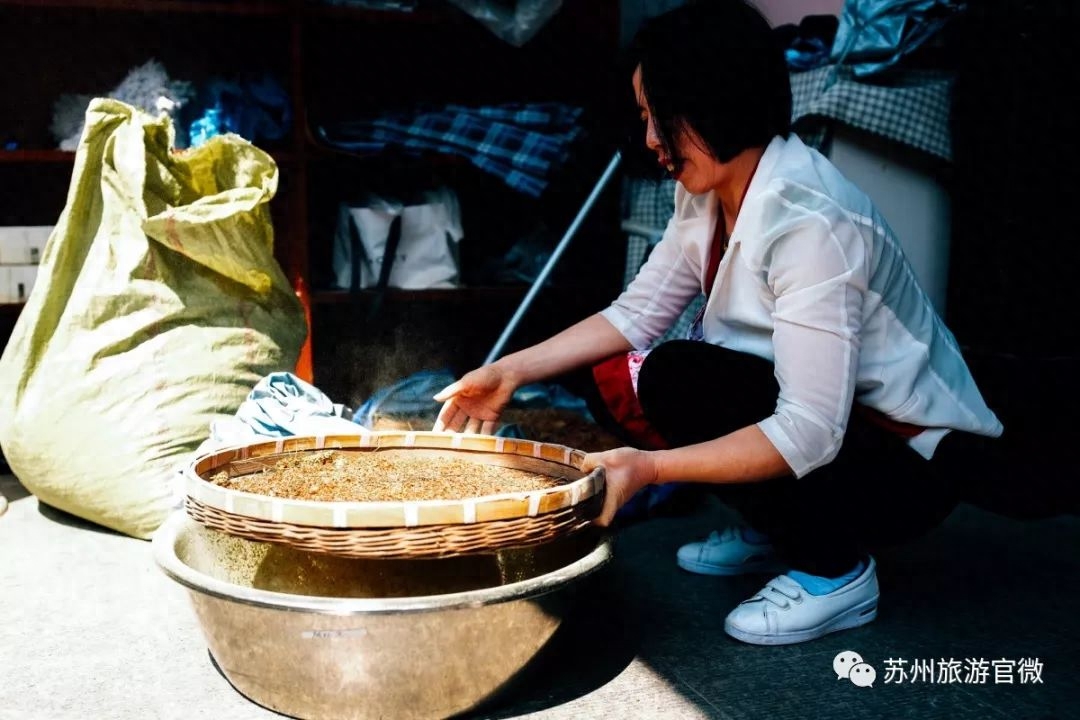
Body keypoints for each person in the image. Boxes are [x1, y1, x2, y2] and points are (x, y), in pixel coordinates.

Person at [432, 0, 1007, 646]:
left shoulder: (810, 221)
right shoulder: (709, 191)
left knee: (682, 376)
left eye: (661, 117)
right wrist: (510, 370)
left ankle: (835, 572)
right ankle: (777, 528)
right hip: (846, 435)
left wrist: (651, 469)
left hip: (911, 468)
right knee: (634, 369)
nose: (650, 138)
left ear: (717, 102)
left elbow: (811, 431)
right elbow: (635, 314)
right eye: (646, 117)